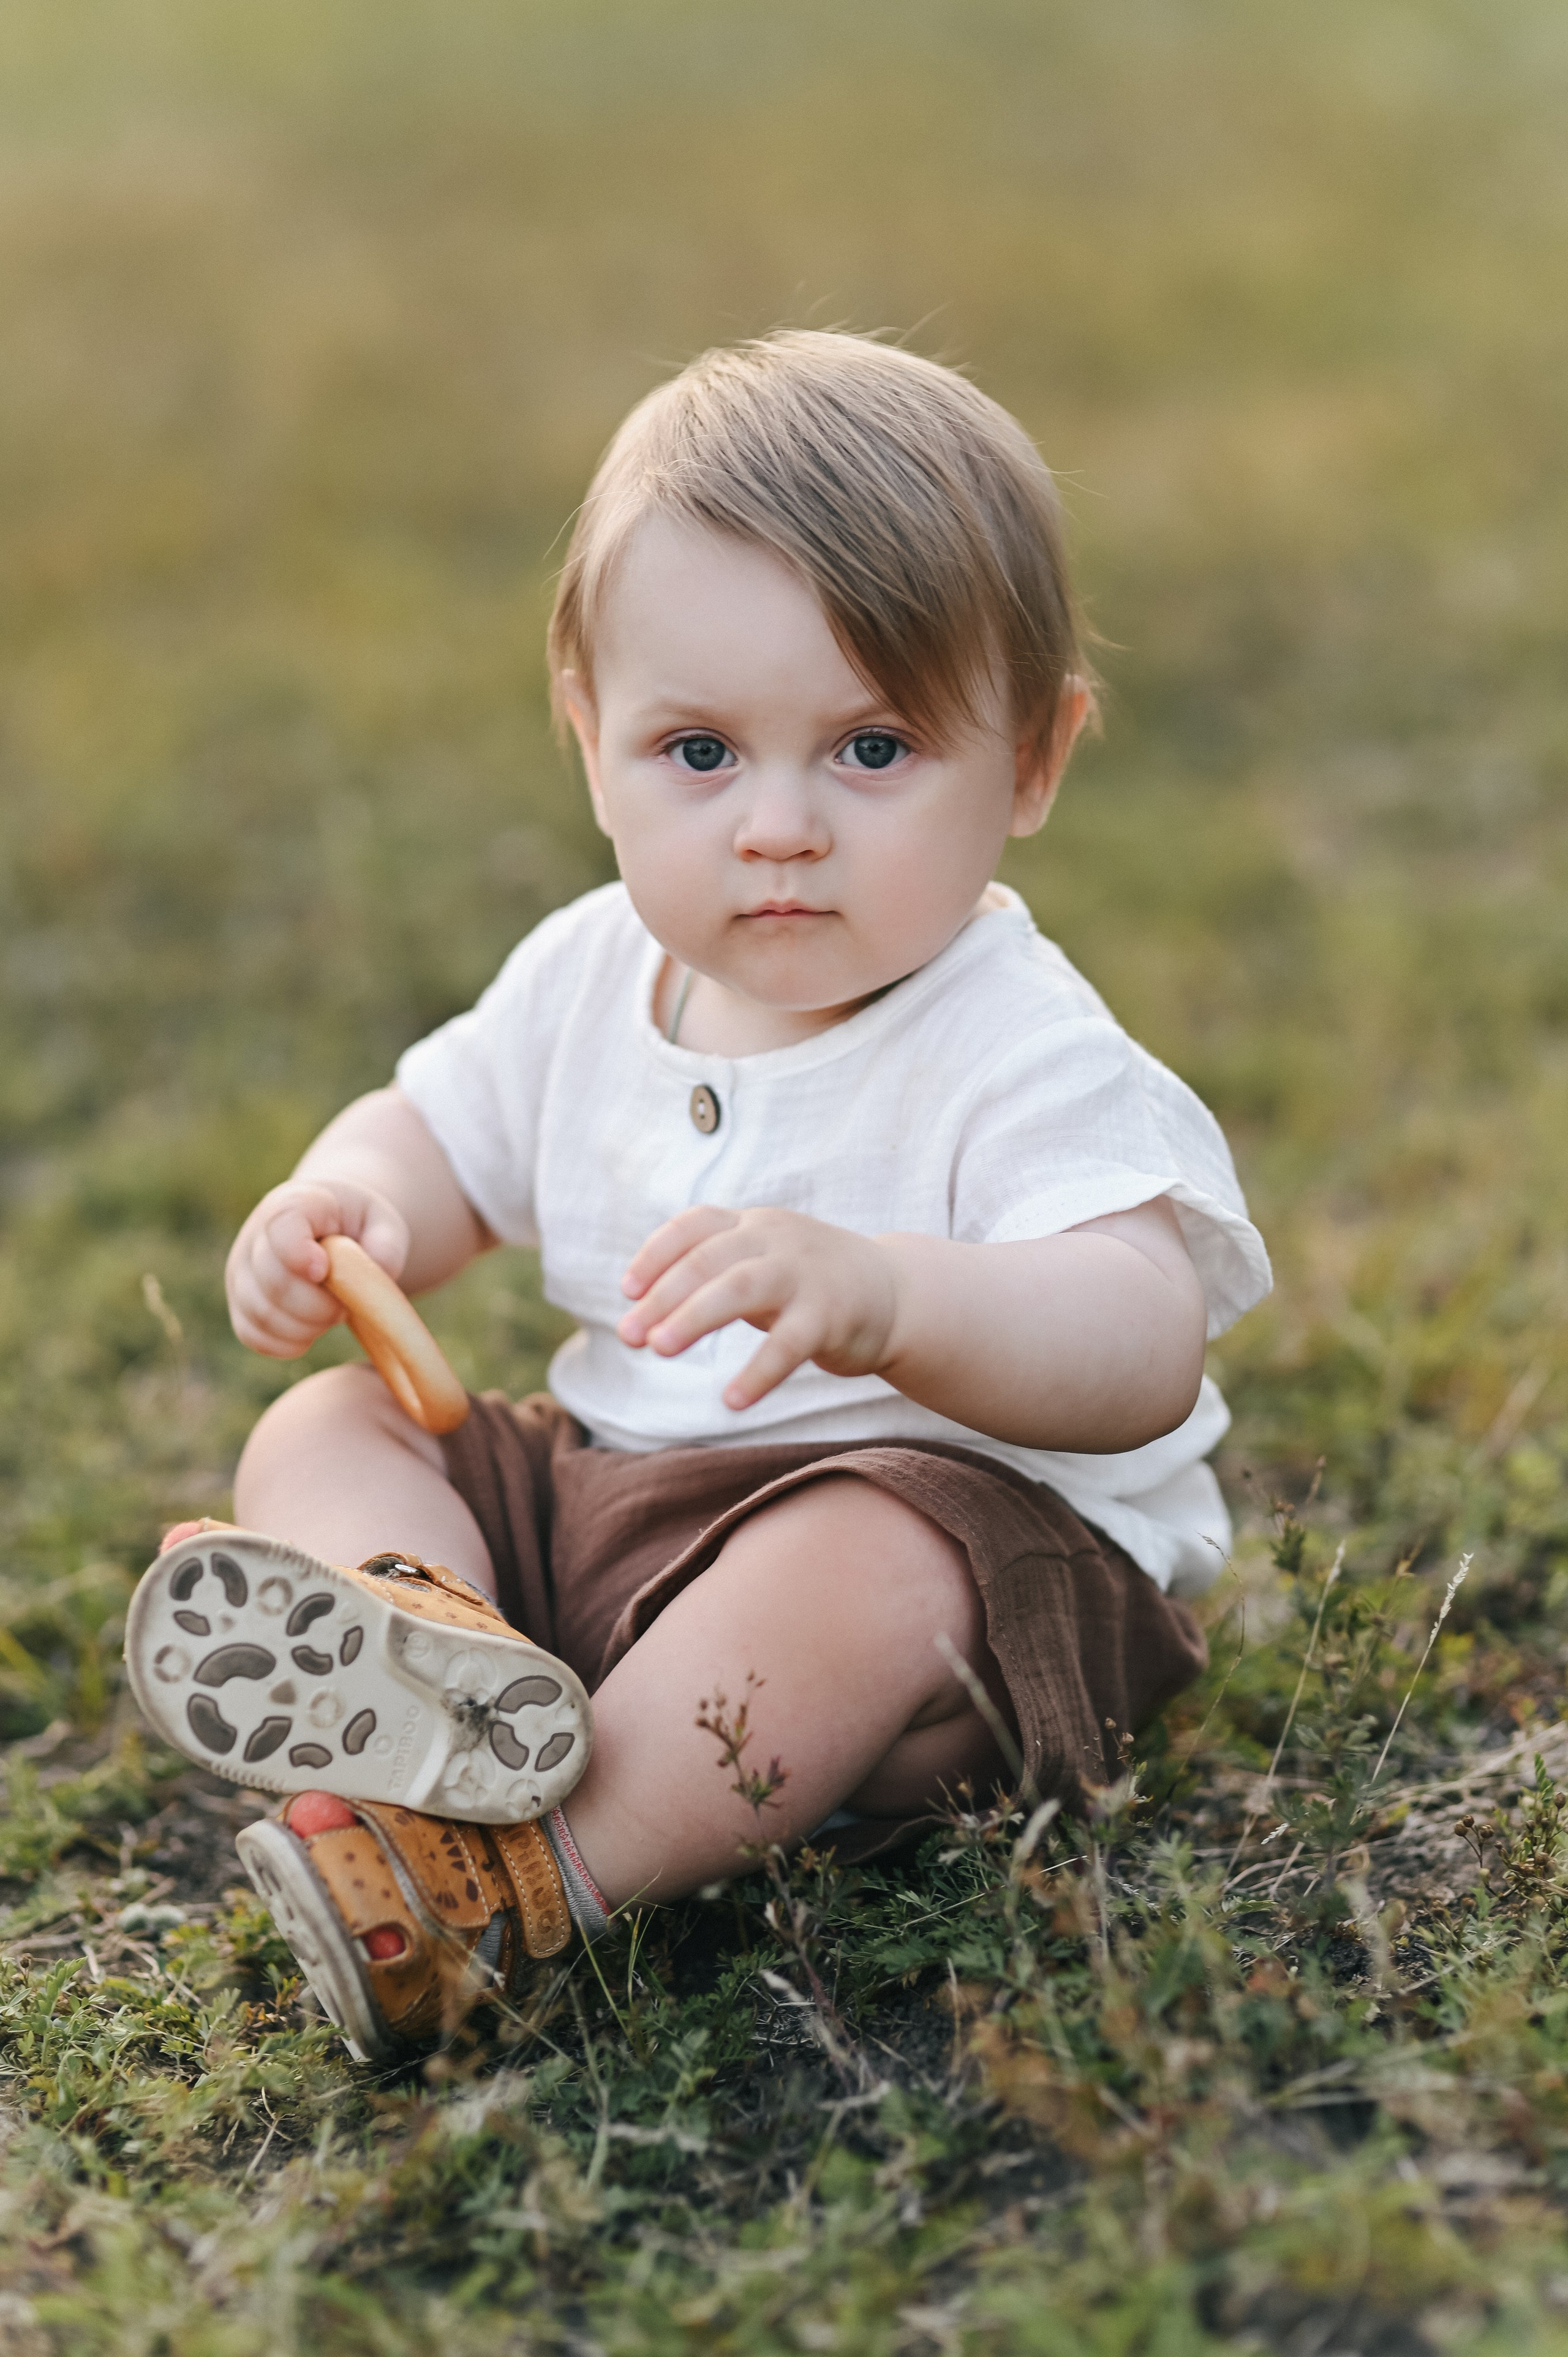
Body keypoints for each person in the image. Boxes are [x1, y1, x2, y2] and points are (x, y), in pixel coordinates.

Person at [127, 330, 1270, 2059]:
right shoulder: (589, 975)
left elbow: (1141, 1343)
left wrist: (895, 1300)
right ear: (591, 740)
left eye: (872, 749)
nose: (779, 826)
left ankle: (523, 1884)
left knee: (863, 1568)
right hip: (613, 1517)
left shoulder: (1022, 1047)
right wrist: (346, 1201)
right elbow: (438, 1134)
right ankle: (421, 1652)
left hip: (939, 1584)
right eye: (700, 751)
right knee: (332, 1423)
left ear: (1035, 761)